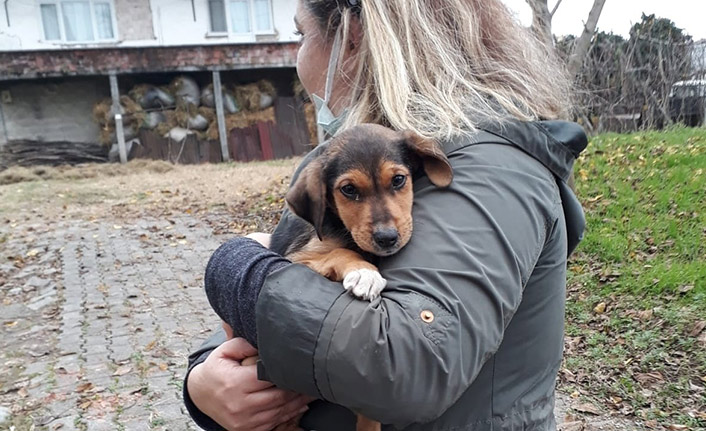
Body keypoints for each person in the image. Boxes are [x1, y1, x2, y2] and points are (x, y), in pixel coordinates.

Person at [184, 0, 588, 430]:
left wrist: (236, 270)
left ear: (351, 37)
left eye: (301, 35)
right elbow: (294, 273)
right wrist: (206, 378)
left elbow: (402, 367)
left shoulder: (486, 170)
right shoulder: (347, 156)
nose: (299, 57)